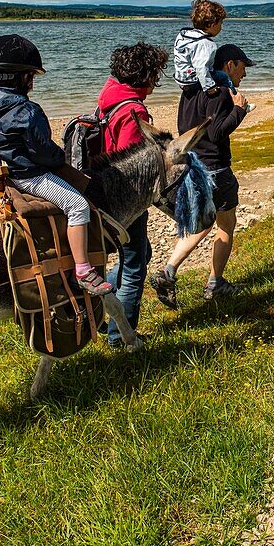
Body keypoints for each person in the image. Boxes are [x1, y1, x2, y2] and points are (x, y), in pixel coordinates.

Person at [0, 34, 113, 296]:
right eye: (31, 76)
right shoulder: (27, 110)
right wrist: (60, 158)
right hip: (28, 176)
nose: (32, 82)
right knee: (78, 205)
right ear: (23, 77)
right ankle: (83, 270)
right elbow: (41, 152)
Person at [149, 43, 256, 304]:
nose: (244, 74)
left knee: (202, 222)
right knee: (224, 224)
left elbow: (187, 127)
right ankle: (212, 282)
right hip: (215, 169)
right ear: (229, 65)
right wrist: (239, 110)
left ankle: (171, 272)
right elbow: (216, 132)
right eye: (242, 67)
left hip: (191, 165)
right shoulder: (219, 92)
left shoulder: (190, 90)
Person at [95, 41, 168, 348]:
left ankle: (100, 308)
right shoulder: (134, 109)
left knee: (140, 255)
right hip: (124, 199)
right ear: (146, 75)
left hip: (101, 187)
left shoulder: (109, 95)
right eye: (156, 74)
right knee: (134, 265)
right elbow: (134, 160)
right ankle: (121, 337)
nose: (156, 81)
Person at [172, 0, 226, 92]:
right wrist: (209, 87)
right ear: (212, 24)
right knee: (225, 77)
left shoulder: (184, 36)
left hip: (181, 79)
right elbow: (201, 67)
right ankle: (236, 99)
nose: (221, 27)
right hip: (194, 81)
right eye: (221, 23)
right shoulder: (205, 43)